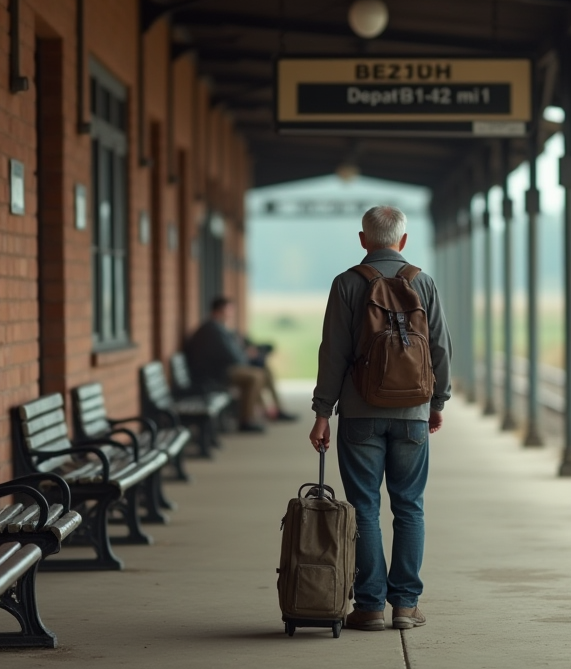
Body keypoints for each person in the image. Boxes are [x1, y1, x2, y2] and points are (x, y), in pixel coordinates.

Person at [308, 205, 451, 632]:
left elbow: (332, 353)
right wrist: (437, 402)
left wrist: (322, 413)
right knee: (410, 508)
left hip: (360, 414)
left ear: (363, 239)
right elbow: (440, 348)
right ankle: (405, 606)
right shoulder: (422, 281)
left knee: (365, 508)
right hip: (411, 413)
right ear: (403, 241)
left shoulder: (347, 283)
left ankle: (369, 606)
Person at [183, 297, 295, 432]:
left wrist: (246, 352)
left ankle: (274, 410)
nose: (230, 315)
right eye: (227, 311)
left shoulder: (219, 328)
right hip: (213, 375)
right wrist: (248, 354)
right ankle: (246, 419)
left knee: (263, 370)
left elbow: (234, 353)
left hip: (221, 370)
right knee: (255, 376)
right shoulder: (212, 330)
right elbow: (234, 357)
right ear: (217, 311)